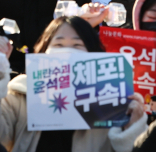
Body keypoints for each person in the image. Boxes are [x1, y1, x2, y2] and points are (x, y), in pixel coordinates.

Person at [0, 16, 147, 150]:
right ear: (44, 51)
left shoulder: (110, 101)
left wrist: (132, 127)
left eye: (77, 45)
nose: (67, 51)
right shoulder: (20, 94)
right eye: (58, 44)